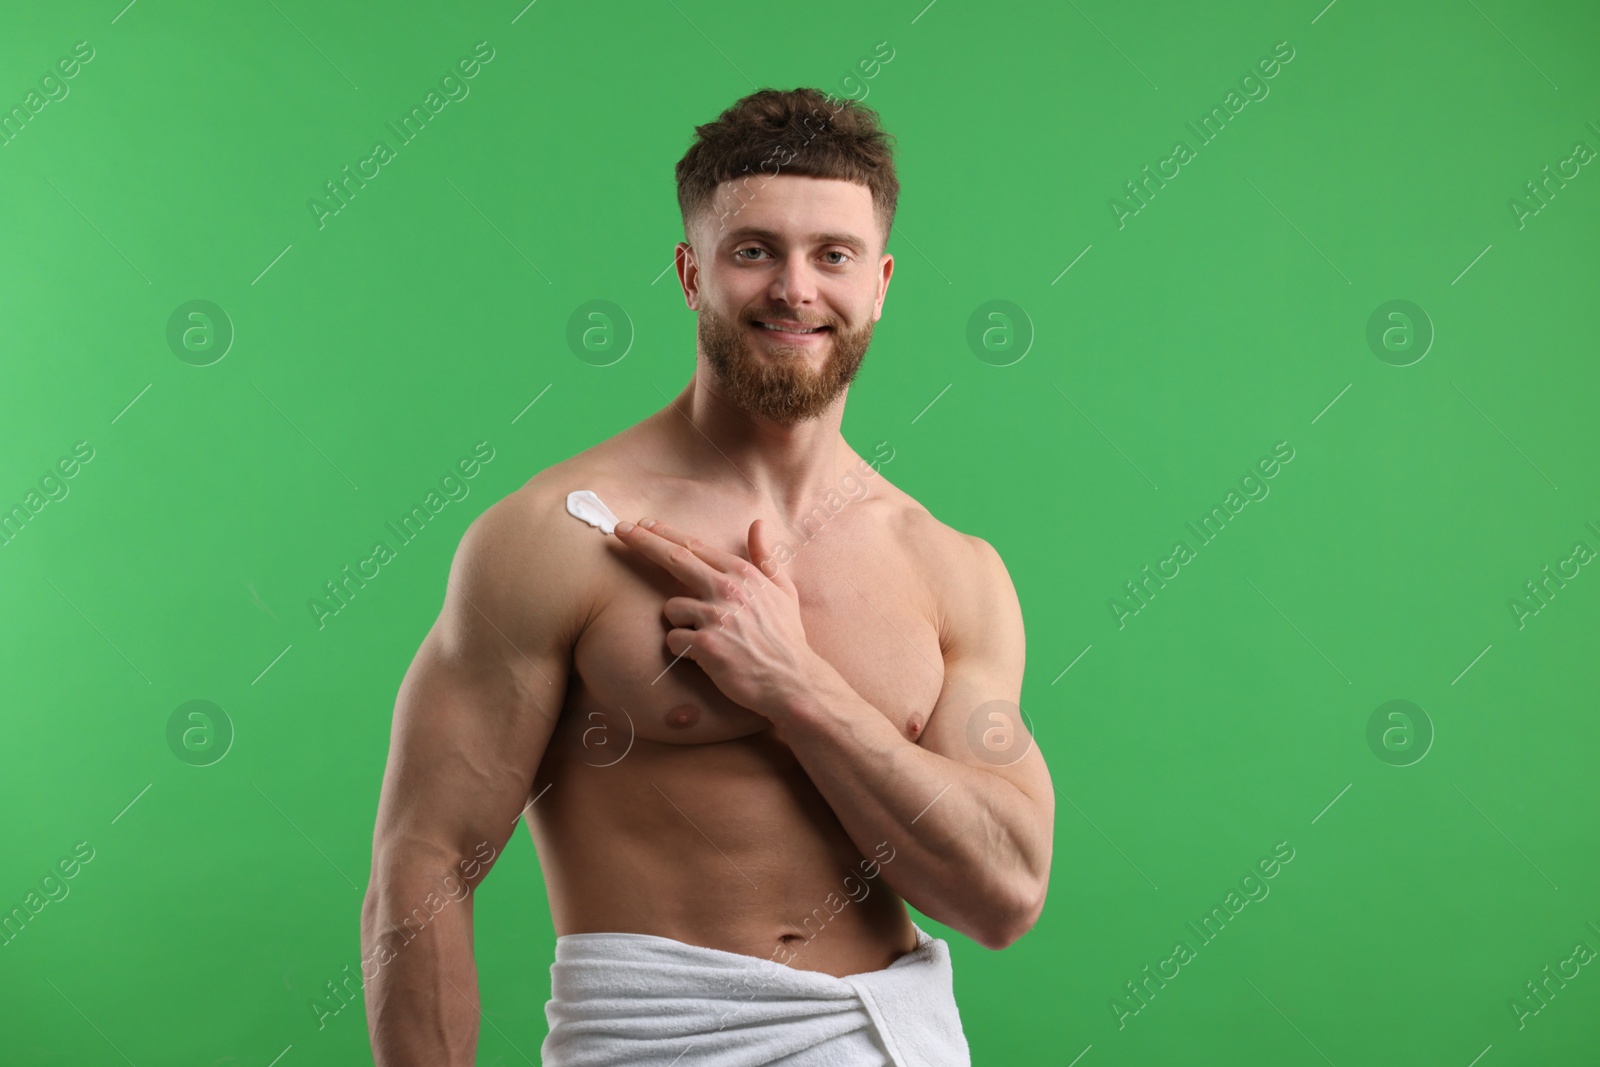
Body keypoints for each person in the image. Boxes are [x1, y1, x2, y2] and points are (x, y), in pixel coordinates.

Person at [361, 86, 1054, 1067]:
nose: (795, 288)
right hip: (656, 1043)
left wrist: (794, 683)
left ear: (882, 281)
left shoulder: (949, 566)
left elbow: (1003, 892)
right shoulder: (555, 536)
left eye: (834, 255)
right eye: (754, 249)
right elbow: (421, 864)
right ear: (692, 273)